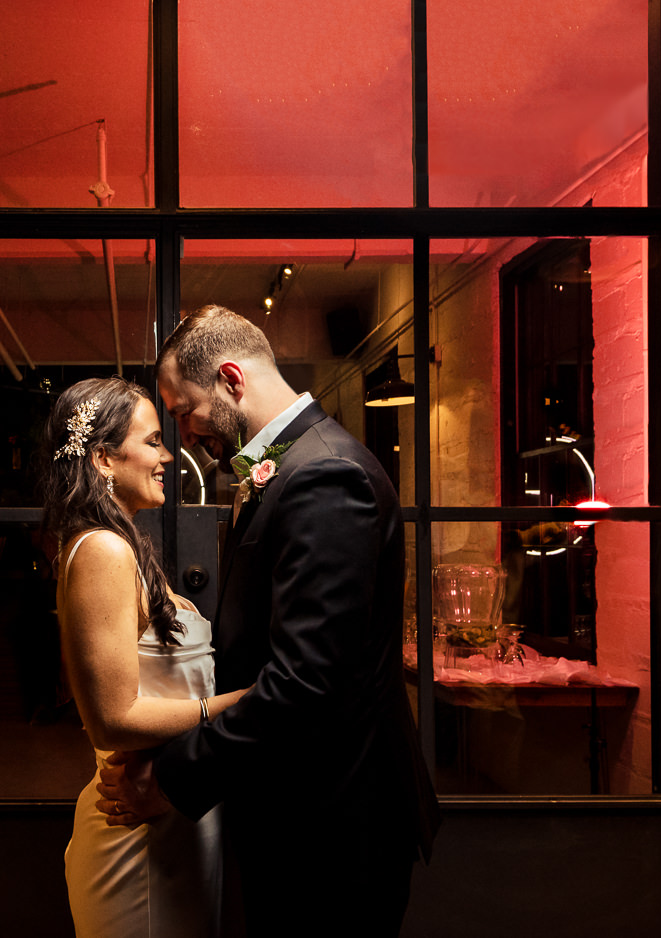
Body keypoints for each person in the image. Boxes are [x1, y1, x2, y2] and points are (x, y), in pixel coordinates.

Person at [99, 305, 441, 937]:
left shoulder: (327, 475)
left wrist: (175, 777)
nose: (184, 434)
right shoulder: (289, 466)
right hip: (297, 807)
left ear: (231, 379)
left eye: (183, 412)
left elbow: (306, 684)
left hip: (335, 824)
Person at [46, 377, 250, 937]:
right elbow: (112, 719)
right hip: (135, 844)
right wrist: (239, 704)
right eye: (154, 441)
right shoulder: (103, 550)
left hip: (169, 816)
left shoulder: (125, 542)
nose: (167, 456)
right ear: (104, 458)